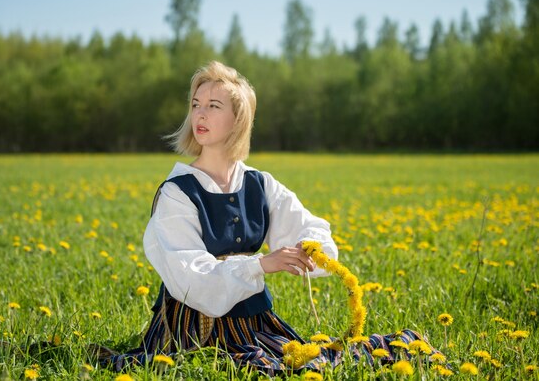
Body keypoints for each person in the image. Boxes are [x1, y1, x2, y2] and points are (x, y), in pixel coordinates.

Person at [94, 61, 437, 375]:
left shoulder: (259, 183)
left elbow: (308, 226)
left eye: (214, 107)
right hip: (191, 327)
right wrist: (261, 265)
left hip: (255, 321)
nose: (200, 115)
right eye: (196, 105)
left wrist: (309, 248)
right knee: (252, 370)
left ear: (239, 119)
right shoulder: (177, 192)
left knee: (305, 363)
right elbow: (191, 280)